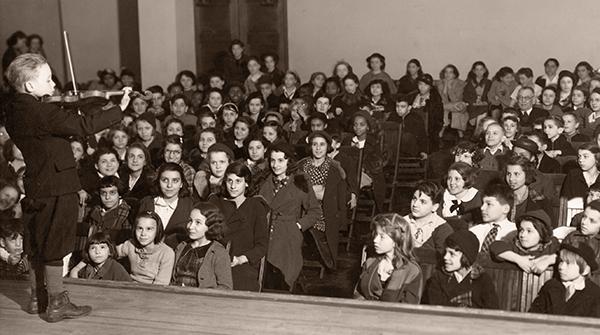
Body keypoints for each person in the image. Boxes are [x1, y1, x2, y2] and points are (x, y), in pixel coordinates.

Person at [4, 53, 131, 321]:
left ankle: (38, 297)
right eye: (48, 80)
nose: (53, 86)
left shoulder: (14, 109)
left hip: (36, 183)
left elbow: (57, 121)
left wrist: (72, 106)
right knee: (57, 244)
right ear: (29, 86)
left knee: (38, 242)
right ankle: (58, 304)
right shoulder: (42, 111)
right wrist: (119, 108)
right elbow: (84, 125)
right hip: (59, 184)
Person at [257, 143, 322, 291]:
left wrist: (298, 226)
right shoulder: (263, 181)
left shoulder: (300, 181)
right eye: (272, 160)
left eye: (280, 160)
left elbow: (314, 211)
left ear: (288, 161)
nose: (275, 165)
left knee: (284, 274)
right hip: (265, 232)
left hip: (288, 234)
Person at [209, 162, 268, 291]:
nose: (233, 186)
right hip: (214, 259)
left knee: (239, 285)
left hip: (241, 263)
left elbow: (262, 245)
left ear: (246, 183)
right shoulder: (215, 202)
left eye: (238, 181)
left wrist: (240, 259)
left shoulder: (256, 206)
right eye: (229, 181)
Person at [299, 131, 347, 270]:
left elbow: (338, 196)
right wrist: (316, 191)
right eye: (315, 144)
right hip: (302, 210)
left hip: (324, 213)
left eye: (322, 144)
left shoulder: (334, 168)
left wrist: (313, 191)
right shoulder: (302, 166)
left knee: (315, 230)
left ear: (328, 147)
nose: (318, 148)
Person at [423, 230, 499, 309]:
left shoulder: (482, 280)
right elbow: (433, 307)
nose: (445, 257)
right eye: (445, 252)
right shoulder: (438, 278)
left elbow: (492, 309)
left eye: (452, 254)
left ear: (465, 257)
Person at [354, 213, 422, 303]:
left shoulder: (411, 270)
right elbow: (358, 294)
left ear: (397, 240)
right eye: (375, 235)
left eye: (382, 237)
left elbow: (410, 308)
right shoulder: (370, 263)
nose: (375, 240)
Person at [172, 202, 232, 289]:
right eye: (190, 221)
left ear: (210, 226)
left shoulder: (218, 252)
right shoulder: (181, 247)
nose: (190, 226)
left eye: (198, 222)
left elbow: (226, 287)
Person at [529, 243, 600, 317]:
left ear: (585, 270)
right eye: (561, 261)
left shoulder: (595, 294)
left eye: (568, 263)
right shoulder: (550, 286)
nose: (561, 267)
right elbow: (533, 316)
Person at [138, 163, 194, 248]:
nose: (169, 185)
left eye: (175, 180)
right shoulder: (146, 202)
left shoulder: (190, 205)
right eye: (165, 180)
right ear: (158, 181)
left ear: (181, 183)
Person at [115, 211, 174, 285]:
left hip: (152, 291)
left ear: (157, 230)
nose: (143, 234)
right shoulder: (131, 244)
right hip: (130, 287)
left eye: (149, 229)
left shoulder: (166, 253)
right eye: (140, 228)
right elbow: (112, 252)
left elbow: (161, 285)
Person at [404, 181, 453, 255]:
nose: (415, 204)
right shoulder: (402, 222)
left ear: (434, 207)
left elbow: (443, 258)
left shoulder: (442, 228)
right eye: (414, 198)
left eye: (423, 202)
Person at [469, 182, 517, 256]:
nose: (482, 208)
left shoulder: (515, 232)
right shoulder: (474, 231)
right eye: (482, 203)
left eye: (489, 204)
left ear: (505, 209)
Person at [504, 155, 553, 224]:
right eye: (508, 174)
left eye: (516, 174)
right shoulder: (501, 198)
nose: (511, 179)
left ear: (527, 174)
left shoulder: (540, 201)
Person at [439, 162, 482, 231]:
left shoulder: (477, 197)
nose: (452, 183)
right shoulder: (442, 196)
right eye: (449, 178)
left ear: (467, 180)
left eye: (457, 179)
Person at [410, 74, 444, 152]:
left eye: (425, 85)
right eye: (420, 84)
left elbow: (438, 119)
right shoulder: (413, 96)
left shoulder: (435, 99)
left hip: (429, 129)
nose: (422, 87)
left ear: (430, 86)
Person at [437, 64, 467, 138]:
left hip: (457, 103)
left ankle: (458, 130)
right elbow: (443, 99)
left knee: (457, 106)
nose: (448, 74)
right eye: (446, 72)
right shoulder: (440, 83)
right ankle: (443, 128)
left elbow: (456, 99)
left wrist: (449, 88)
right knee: (444, 107)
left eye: (450, 72)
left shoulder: (460, 83)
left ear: (454, 74)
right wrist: (445, 87)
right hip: (448, 105)